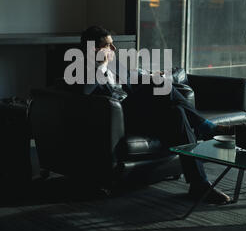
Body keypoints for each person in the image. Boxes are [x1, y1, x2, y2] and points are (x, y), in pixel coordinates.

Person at [64, 25, 232, 204]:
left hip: (138, 112)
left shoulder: (115, 65)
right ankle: (205, 127)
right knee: (160, 85)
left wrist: (149, 75)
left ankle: (200, 184)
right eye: (108, 45)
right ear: (95, 49)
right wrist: (101, 65)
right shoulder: (82, 69)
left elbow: (132, 77)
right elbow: (83, 91)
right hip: (119, 118)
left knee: (177, 113)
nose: (114, 49)